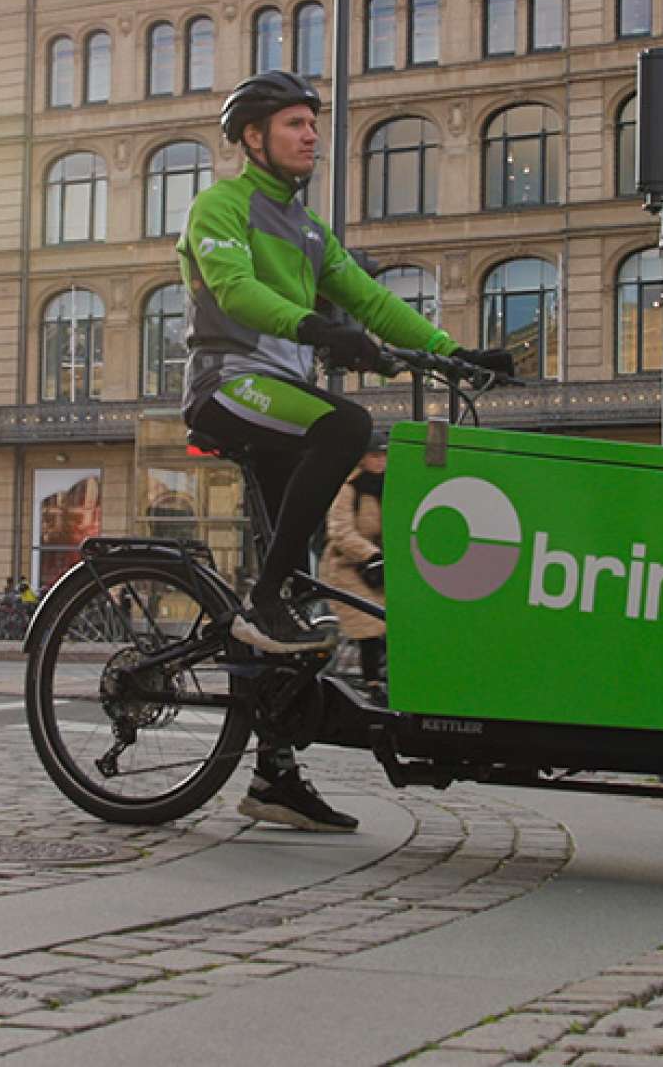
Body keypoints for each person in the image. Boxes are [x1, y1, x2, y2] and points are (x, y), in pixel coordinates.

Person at [179, 70, 515, 831]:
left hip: (281, 396)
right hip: (230, 383)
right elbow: (232, 291)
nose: (310, 135)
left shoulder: (306, 228)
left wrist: (451, 351)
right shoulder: (219, 206)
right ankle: (261, 600)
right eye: (294, 123)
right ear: (253, 137)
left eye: (312, 123)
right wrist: (316, 328)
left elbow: (369, 299)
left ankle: (274, 778)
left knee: (300, 593)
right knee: (345, 426)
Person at [322, 448, 389, 691]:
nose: (380, 461)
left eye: (384, 456)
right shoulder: (349, 488)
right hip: (346, 567)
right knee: (369, 623)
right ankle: (371, 681)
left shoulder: (389, 487)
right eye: (375, 456)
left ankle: (381, 678)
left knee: (391, 621)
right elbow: (340, 530)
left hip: (378, 569)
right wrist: (369, 553)